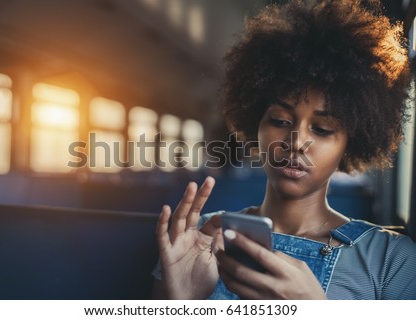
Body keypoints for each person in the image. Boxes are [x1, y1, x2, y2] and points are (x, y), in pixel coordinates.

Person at [152, 0, 416, 299]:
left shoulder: (394, 261)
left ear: (350, 142)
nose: (295, 141)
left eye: (322, 129)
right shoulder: (196, 237)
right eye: (279, 120)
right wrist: (184, 305)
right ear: (257, 125)